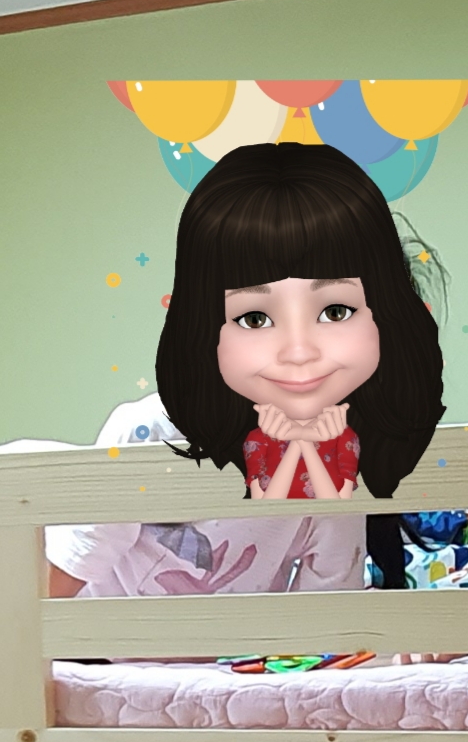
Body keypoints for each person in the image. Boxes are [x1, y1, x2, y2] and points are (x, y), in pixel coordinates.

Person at [153, 141, 443, 502]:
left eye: (335, 312)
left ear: (386, 312)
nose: (299, 352)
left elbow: (334, 512)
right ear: (201, 329)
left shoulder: (375, 439)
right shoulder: (148, 435)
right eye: (255, 319)